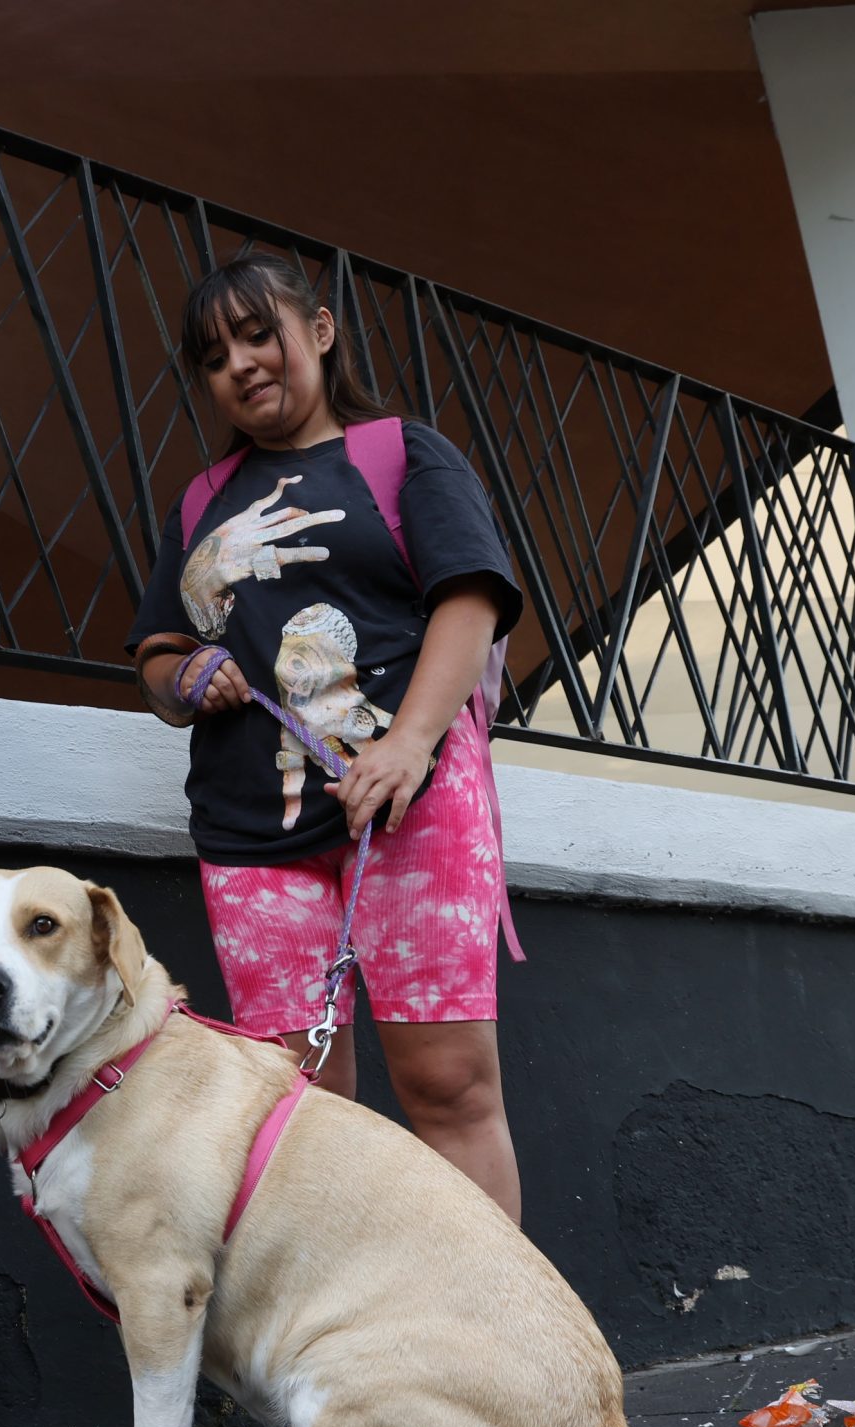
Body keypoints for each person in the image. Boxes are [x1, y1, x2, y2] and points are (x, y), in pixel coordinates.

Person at [125, 252, 527, 1222]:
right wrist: (183, 673)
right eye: (215, 354)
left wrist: (407, 746)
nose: (243, 363)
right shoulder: (201, 501)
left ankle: (494, 1352)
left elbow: (469, 601)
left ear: (318, 329)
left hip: (409, 811)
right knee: (295, 1112)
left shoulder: (401, 454)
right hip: (249, 836)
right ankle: (330, 1346)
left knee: (448, 1089)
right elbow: (155, 656)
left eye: (260, 332)